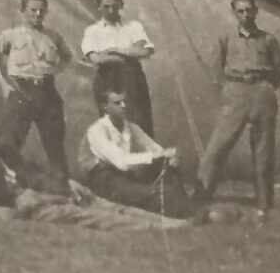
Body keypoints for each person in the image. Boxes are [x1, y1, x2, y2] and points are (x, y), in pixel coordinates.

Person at [0, 116, 187, 230]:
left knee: (99, 201)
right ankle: (155, 228)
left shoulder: (5, 152)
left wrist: (66, 184)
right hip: (28, 203)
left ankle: (172, 223)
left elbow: (34, 174)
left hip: (42, 192)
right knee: (89, 215)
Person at [196, 0, 280, 223]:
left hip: (262, 92)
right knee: (217, 147)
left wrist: (265, 86)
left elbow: (279, 71)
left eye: (249, 10)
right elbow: (215, 67)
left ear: (256, 12)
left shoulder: (268, 40)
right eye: (240, 11)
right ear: (234, 13)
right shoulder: (225, 37)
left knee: (263, 151)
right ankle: (200, 198)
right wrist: (229, 90)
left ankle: (264, 202)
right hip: (236, 91)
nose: (245, 15)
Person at [0, 0, 75, 181]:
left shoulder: (53, 36)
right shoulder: (11, 35)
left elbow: (67, 58)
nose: (37, 14)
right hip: (21, 91)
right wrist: (3, 85)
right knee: (9, 143)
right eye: (33, 10)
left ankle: (63, 187)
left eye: (42, 11)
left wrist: (53, 71)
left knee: (54, 144)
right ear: (23, 11)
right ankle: (8, 185)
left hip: (47, 92)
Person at [78, 90, 197, 218]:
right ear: (105, 107)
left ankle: (185, 207)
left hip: (124, 176)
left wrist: (170, 156)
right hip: (105, 179)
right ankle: (185, 211)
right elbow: (122, 162)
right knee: (148, 194)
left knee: (169, 168)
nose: (124, 106)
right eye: (118, 103)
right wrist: (157, 156)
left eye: (125, 101)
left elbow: (155, 149)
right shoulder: (97, 130)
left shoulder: (131, 127)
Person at [80, 0, 156, 136]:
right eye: (106, 7)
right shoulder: (92, 31)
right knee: (113, 127)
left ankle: (146, 159)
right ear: (99, 7)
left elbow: (145, 51)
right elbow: (97, 59)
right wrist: (129, 53)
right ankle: (119, 159)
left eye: (115, 6)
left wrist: (115, 50)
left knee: (141, 123)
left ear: (121, 4)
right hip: (107, 80)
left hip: (133, 79)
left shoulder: (134, 26)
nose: (111, 11)